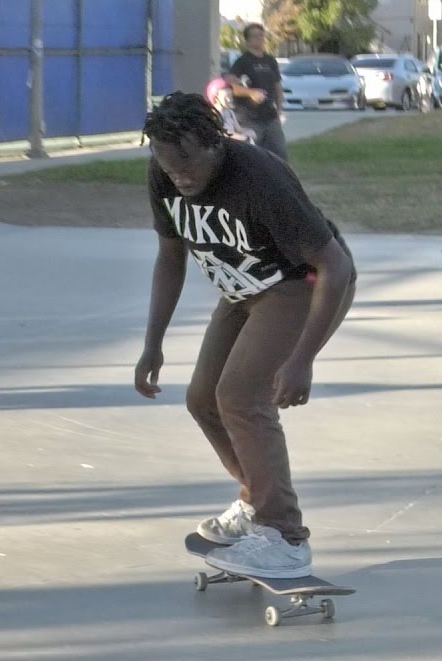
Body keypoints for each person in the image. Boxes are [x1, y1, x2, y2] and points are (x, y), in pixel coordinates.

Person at [136, 93, 357, 579]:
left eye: (188, 163)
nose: (180, 177)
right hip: (243, 291)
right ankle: (258, 503)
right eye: (168, 166)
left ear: (216, 143)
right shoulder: (165, 172)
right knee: (203, 399)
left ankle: (285, 536)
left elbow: (335, 266)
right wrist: (153, 342)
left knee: (240, 395)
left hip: (304, 285)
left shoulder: (260, 176)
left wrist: (304, 358)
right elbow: (170, 258)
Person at [224, 24, 288, 162]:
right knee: (253, 158)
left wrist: (280, 109)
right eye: (255, 35)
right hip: (249, 118)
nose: (259, 38)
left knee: (280, 156)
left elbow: (277, 86)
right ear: (247, 41)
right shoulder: (242, 62)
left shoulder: (270, 60)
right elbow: (232, 86)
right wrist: (250, 92)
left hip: (270, 117)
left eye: (261, 35)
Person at [205, 77, 256, 144]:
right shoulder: (214, 114)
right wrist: (241, 138)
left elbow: (239, 129)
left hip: (232, 143)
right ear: (216, 98)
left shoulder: (230, 112)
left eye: (230, 96)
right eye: (226, 97)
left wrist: (250, 132)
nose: (230, 100)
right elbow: (220, 133)